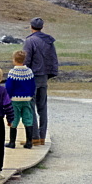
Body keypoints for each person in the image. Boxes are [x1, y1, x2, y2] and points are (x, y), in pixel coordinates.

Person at [23, 16, 59, 145]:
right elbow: (53, 59)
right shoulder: (49, 41)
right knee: (42, 107)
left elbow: (26, 60)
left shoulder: (30, 41)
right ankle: (42, 136)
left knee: (30, 106)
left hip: (32, 77)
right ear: (42, 27)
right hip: (44, 77)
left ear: (31, 26)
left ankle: (34, 137)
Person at [5, 49, 35, 150]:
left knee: (14, 119)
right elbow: (32, 86)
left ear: (14, 60)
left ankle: (12, 142)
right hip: (27, 99)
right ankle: (29, 142)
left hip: (15, 100)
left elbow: (9, 87)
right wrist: (30, 95)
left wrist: (8, 98)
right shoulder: (29, 72)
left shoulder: (12, 72)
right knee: (28, 119)